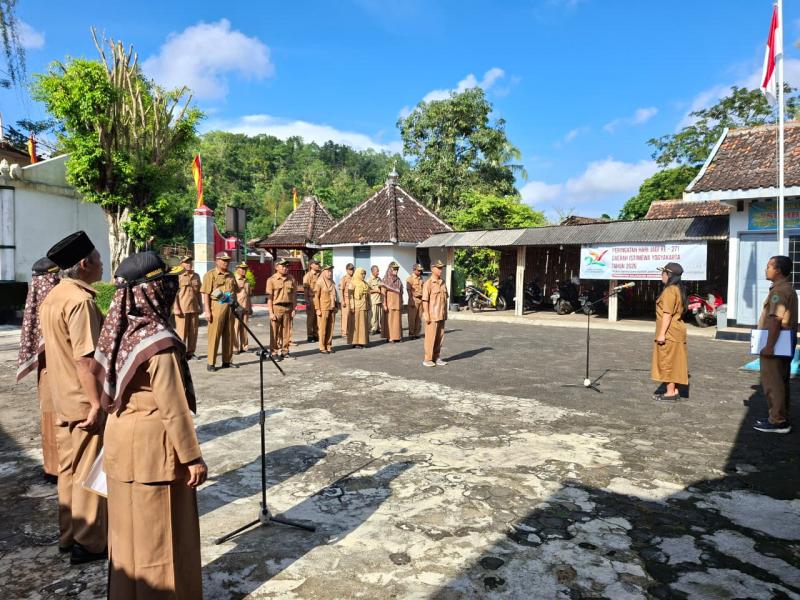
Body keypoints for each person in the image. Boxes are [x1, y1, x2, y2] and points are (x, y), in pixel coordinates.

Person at [93, 251, 206, 598]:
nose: (171, 288)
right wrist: (192, 457)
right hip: (154, 452)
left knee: (126, 537)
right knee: (161, 540)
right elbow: (173, 408)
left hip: (120, 445)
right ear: (153, 291)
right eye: (165, 283)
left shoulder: (120, 330)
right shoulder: (158, 342)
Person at [40, 231, 107, 564]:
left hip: (62, 398)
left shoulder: (53, 297)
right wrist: (96, 404)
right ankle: (90, 542)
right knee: (89, 472)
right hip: (83, 401)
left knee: (68, 471)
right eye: (98, 259)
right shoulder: (80, 301)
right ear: (84, 264)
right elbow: (85, 360)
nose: (102, 265)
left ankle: (68, 535)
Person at [16, 257, 61, 483]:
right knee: (54, 421)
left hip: (49, 374)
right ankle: (56, 469)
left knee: (51, 421)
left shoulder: (41, 303)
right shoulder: (52, 304)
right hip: (55, 373)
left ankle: (53, 468)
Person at [754, 255, 797, 433]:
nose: (766, 269)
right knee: (781, 379)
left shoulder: (779, 291)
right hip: (785, 341)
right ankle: (780, 416)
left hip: (777, 343)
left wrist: (769, 345)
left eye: (769, 266)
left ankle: (778, 420)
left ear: (778, 270)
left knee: (773, 381)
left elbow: (775, 319)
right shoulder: (787, 288)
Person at [651, 262, 688, 401]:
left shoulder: (670, 290)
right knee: (674, 360)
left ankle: (670, 392)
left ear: (669, 275)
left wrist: (661, 334)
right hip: (676, 330)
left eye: (663, 273)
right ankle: (675, 390)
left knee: (667, 361)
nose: (662, 275)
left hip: (669, 331)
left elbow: (667, 314)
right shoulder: (677, 289)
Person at [201, 251, 238, 372]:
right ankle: (211, 362)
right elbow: (206, 294)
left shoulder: (231, 275)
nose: (226, 263)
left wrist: (236, 305)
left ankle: (227, 360)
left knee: (229, 334)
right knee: (214, 335)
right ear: (217, 261)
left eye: (227, 260)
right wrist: (207, 311)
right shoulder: (210, 275)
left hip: (229, 307)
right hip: (216, 307)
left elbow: (234, 292)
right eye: (223, 260)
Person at [266, 258, 297, 360]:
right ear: (276, 267)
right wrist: (271, 312)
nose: (285, 268)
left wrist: (294, 308)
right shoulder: (271, 280)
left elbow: (294, 295)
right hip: (276, 308)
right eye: (283, 266)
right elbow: (270, 298)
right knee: (274, 332)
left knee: (286, 332)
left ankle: (285, 351)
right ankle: (274, 352)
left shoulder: (291, 279)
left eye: (287, 266)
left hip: (288, 308)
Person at [173, 255, 201, 359]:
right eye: (186, 262)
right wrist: (176, 307)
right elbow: (174, 293)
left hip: (194, 308)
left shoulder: (196, 276)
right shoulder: (177, 276)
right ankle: (182, 353)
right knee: (182, 332)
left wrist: (201, 305)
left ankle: (191, 352)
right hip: (182, 308)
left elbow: (198, 293)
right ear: (181, 264)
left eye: (190, 262)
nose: (189, 264)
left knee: (193, 332)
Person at [422, 260, 449, 367]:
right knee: (430, 338)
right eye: (438, 268)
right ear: (432, 268)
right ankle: (428, 359)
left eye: (441, 268)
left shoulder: (443, 282)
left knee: (439, 338)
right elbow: (425, 300)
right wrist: (426, 314)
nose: (440, 270)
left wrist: (445, 313)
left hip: (441, 315)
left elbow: (445, 298)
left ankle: (436, 357)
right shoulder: (428, 283)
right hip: (432, 315)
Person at [314, 265, 338, 353]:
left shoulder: (332, 282)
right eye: (328, 271)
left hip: (332, 308)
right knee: (322, 329)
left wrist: (336, 306)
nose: (330, 273)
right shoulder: (319, 282)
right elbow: (316, 297)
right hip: (323, 308)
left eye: (331, 271)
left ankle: (328, 345)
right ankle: (322, 347)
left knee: (330, 328)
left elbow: (335, 295)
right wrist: (317, 309)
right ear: (324, 272)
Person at [381, 261, 404, 342]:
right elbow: (383, 293)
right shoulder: (385, 280)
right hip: (390, 304)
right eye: (394, 269)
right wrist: (384, 304)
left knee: (397, 322)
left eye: (397, 269)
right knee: (390, 321)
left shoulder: (398, 280)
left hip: (397, 304)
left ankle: (397, 337)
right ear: (390, 269)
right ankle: (390, 337)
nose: (396, 271)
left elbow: (401, 292)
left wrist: (401, 302)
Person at [233, 262, 253, 353]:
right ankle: (235, 347)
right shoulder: (234, 280)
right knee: (235, 327)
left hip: (246, 307)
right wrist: (234, 306)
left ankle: (244, 346)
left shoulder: (247, 280)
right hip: (237, 307)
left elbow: (248, 295)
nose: (244, 270)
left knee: (245, 328)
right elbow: (231, 294)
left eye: (245, 269)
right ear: (237, 269)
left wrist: (250, 307)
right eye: (242, 268)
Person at [348, 267, 371, 348]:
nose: (363, 275)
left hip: (364, 306)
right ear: (358, 274)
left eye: (364, 274)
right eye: (362, 274)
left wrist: (369, 305)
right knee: (356, 325)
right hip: (356, 307)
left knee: (363, 325)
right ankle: (356, 342)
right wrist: (352, 307)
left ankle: (362, 341)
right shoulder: (353, 283)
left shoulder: (365, 283)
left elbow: (368, 294)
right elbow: (350, 296)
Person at [303, 259, 321, 342]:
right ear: (311, 265)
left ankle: (316, 334)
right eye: (316, 264)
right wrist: (307, 301)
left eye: (318, 264)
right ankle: (310, 335)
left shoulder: (320, 274)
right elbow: (306, 290)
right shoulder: (307, 276)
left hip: (319, 298)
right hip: (312, 298)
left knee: (317, 318)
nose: (318, 265)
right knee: (311, 318)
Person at [406, 263, 424, 339]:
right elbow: (409, 291)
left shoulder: (421, 278)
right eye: (418, 270)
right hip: (414, 300)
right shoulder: (410, 279)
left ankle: (417, 333)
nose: (420, 272)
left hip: (421, 300)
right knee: (412, 318)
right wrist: (411, 301)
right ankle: (411, 334)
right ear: (414, 270)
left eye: (420, 270)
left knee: (419, 318)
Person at [339, 263, 355, 342]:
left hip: (353, 299)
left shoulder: (354, 278)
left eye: (352, 269)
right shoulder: (344, 278)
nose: (352, 271)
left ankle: (350, 331)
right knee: (345, 316)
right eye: (350, 269)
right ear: (347, 270)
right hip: (346, 299)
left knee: (352, 316)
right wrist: (342, 301)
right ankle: (344, 332)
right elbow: (341, 290)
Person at [367, 265, 383, 335]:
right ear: (373, 271)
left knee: (379, 316)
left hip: (380, 300)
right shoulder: (369, 280)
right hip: (373, 301)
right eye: (377, 271)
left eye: (378, 271)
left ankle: (378, 328)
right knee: (373, 316)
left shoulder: (379, 279)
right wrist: (375, 290)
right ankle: (372, 329)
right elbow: (367, 291)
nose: (378, 273)